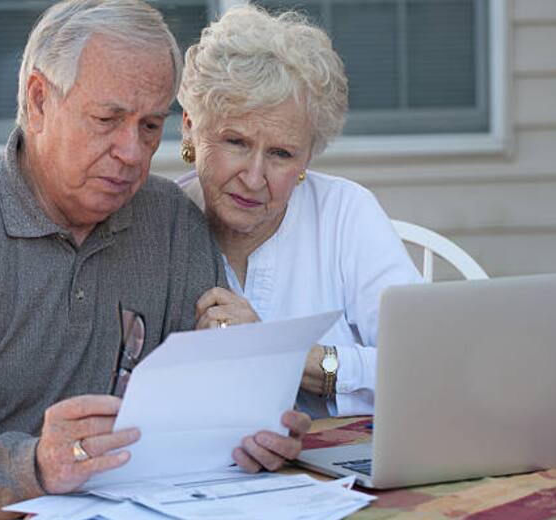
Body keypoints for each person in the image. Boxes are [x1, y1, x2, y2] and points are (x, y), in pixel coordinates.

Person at [0, 1, 310, 520]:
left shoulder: (174, 226)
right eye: (107, 120)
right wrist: (35, 467)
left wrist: (250, 430)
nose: (132, 151)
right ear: (40, 100)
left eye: (151, 125)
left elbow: (197, 415)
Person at [178, 5, 422, 419]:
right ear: (189, 128)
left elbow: (427, 363)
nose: (254, 178)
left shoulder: (345, 214)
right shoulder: (157, 225)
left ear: (308, 157)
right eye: (236, 142)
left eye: (281, 154)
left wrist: (282, 354)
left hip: (348, 470)